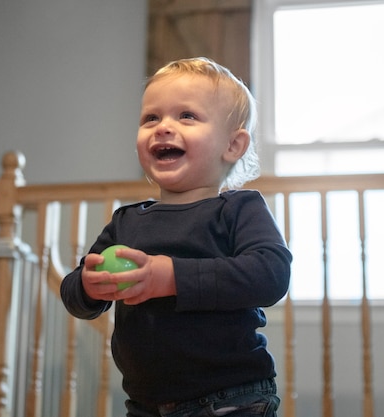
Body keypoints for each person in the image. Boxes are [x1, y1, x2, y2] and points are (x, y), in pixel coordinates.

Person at [60, 57, 292, 417]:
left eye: (187, 116)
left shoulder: (238, 209)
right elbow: (74, 293)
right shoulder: (127, 222)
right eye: (150, 118)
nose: (163, 127)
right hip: (145, 404)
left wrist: (171, 278)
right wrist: (89, 287)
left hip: (232, 399)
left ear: (233, 145)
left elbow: (271, 274)